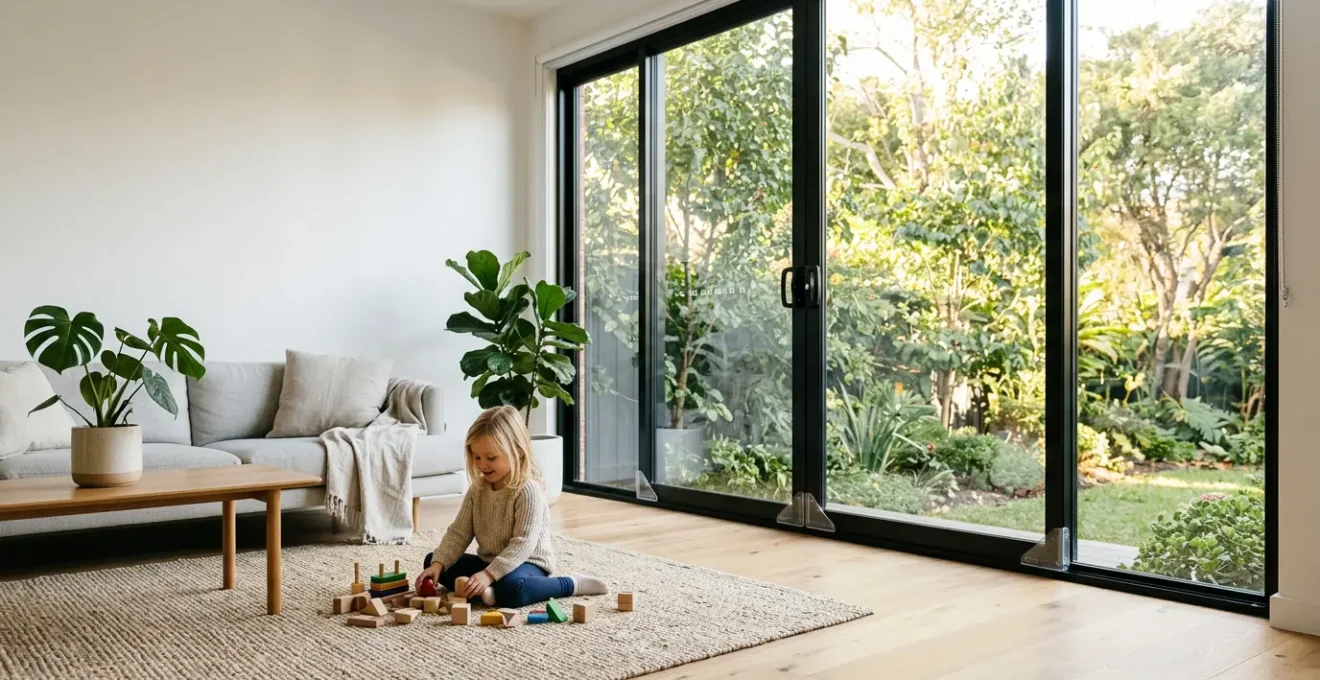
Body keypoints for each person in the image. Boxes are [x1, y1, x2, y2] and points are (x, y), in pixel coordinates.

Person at [414, 405, 607, 607]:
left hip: (528, 563)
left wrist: (488, 575)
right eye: (476, 457)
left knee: (513, 590)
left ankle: (570, 584)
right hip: (491, 562)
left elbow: (522, 544)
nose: (482, 465)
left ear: (518, 452)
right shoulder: (477, 491)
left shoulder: (528, 491)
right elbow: (459, 533)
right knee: (433, 561)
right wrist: (438, 564)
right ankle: (490, 590)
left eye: (491, 458)